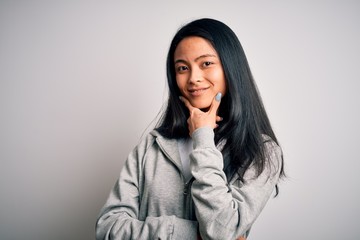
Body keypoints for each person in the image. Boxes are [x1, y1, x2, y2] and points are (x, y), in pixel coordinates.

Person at [96, 18, 285, 240]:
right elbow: (107, 228)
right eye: (183, 68)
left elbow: (222, 230)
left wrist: (202, 136)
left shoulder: (262, 151)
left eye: (206, 64)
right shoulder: (152, 146)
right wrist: (190, 235)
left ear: (230, 67)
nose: (193, 78)